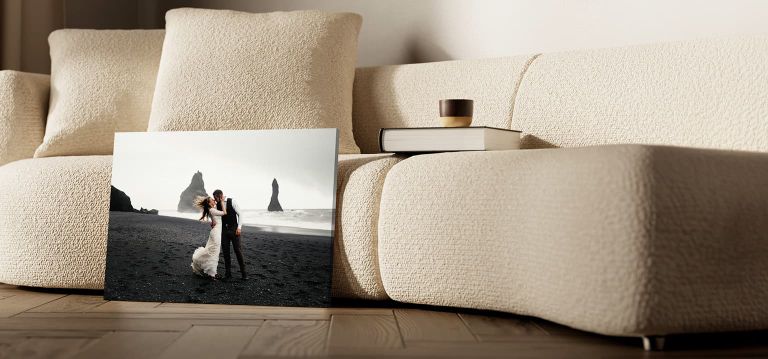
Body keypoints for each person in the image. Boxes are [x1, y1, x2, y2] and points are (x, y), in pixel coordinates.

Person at [212, 189, 247, 280]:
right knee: (225, 251)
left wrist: (239, 227)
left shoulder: (232, 201)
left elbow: (240, 214)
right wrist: (213, 222)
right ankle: (228, 274)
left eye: (215, 198)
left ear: (220, 196)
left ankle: (244, 274)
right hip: (224, 231)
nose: (215, 200)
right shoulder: (217, 205)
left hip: (234, 229)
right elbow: (216, 216)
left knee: (238, 251)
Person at [190, 195, 226, 280]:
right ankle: (212, 274)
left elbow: (215, 220)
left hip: (215, 232)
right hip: (216, 233)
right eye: (212, 200)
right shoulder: (212, 210)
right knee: (214, 253)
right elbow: (224, 213)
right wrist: (222, 201)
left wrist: (213, 222)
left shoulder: (211, 210)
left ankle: (212, 273)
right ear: (209, 203)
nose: (214, 200)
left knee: (211, 251)